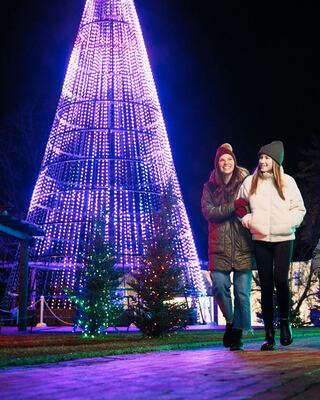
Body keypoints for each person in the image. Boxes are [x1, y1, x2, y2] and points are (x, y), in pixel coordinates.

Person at [238, 140, 306, 350]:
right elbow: (239, 203)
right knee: (266, 285)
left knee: (280, 280)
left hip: (284, 238)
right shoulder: (250, 181)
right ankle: (269, 334)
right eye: (261, 157)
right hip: (260, 239)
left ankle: (285, 323)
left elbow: (299, 209)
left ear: (275, 161)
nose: (263, 161)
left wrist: (288, 223)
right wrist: (248, 220)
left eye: (267, 158)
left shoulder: (288, 182)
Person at [201, 143, 255, 351]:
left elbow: (252, 205)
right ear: (217, 164)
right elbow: (209, 212)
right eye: (222, 160)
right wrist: (233, 206)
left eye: (230, 159)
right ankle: (231, 322)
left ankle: (238, 334)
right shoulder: (209, 187)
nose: (226, 163)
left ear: (235, 162)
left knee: (242, 293)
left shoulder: (246, 182)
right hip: (219, 246)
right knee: (219, 287)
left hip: (242, 245)